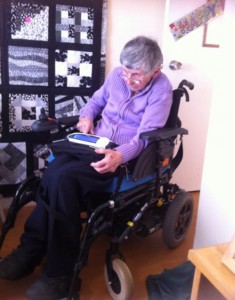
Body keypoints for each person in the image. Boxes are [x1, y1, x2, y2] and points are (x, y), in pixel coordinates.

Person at [0, 36, 173, 299]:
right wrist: (86, 117)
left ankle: (57, 270)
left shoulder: (162, 90)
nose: (127, 79)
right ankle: (34, 251)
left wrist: (119, 154)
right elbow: (95, 101)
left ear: (155, 71)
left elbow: (145, 136)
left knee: (61, 179)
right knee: (53, 172)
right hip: (92, 143)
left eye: (135, 75)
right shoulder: (117, 76)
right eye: (125, 72)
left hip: (122, 157)